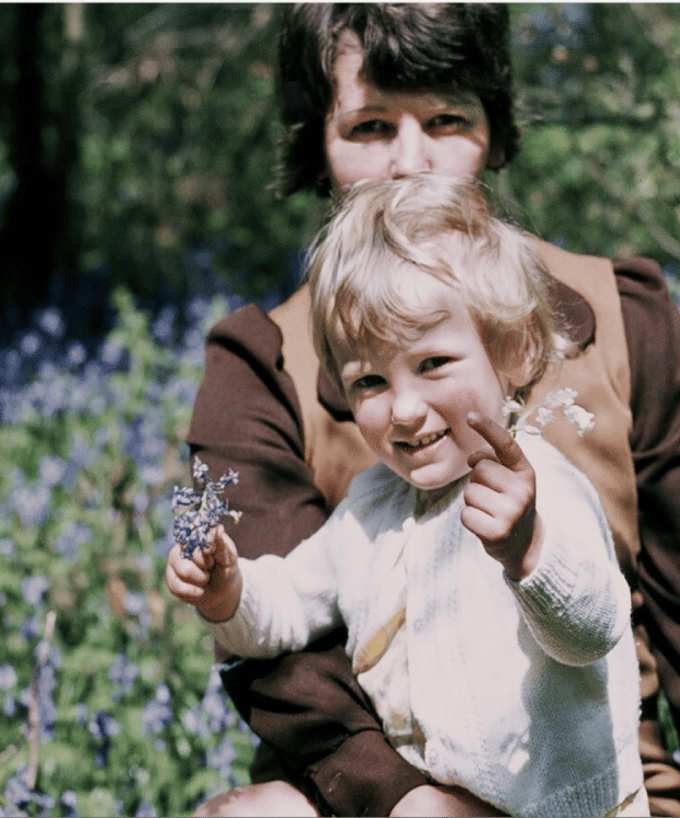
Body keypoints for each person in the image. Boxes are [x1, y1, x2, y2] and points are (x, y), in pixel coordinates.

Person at [183, 5, 680, 817]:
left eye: (447, 118)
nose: (412, 163)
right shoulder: (263, 359)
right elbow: (285, 656)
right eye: (371, 126)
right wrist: (413, 804)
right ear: (318, 140)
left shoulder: (625, 317)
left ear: (494, 126)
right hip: (361, 795)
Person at [168, 173, 648, 818]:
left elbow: (593, 630)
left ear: (514, 349)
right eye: (369, 380)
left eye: (432, 365)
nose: (403, 409)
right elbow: (287, 607)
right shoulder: (372, 508)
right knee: (237, 813)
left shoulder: (535, 487)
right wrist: (232, 595)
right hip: (433, 799)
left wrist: (528, 550)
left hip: (562, 809)